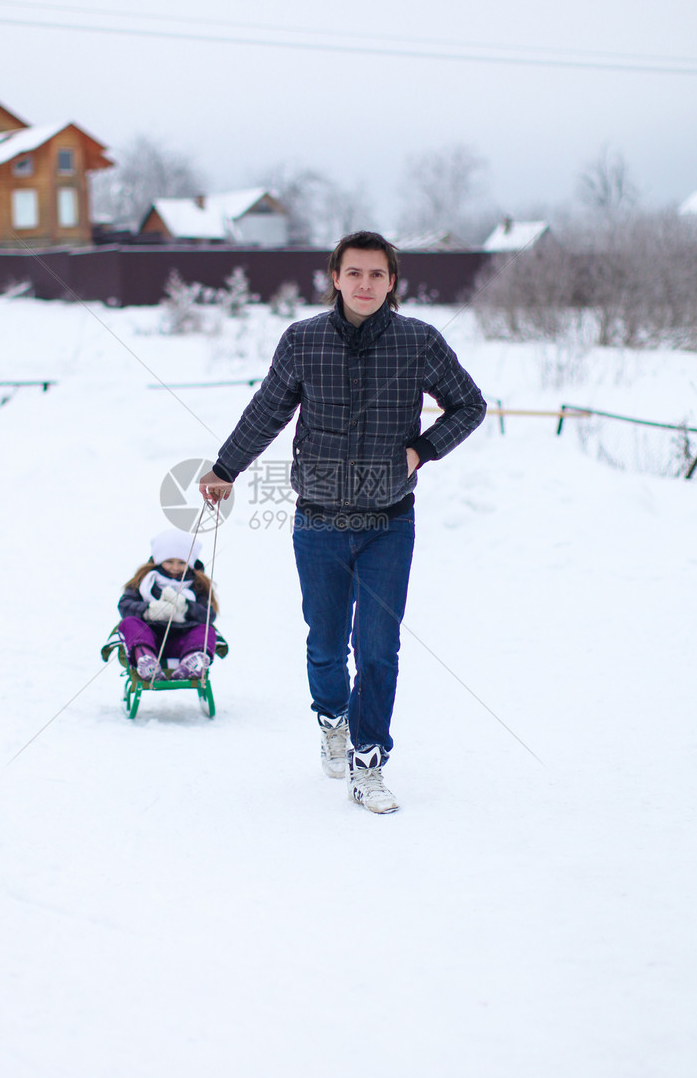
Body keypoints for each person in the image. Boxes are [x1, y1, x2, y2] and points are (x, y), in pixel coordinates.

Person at [199, 230, 486, 814]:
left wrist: (420, 452)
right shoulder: (303, 341)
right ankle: (333, 720)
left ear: (392, 281)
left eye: (376, 274)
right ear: (335, 277)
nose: (365, 284)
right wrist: (226, 466)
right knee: (327, 646)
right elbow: (268, 409)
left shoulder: (420, 342)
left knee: (378, 649)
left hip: (389, 522)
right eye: (353, 273)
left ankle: (370, 761)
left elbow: (470, 404)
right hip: (319, 522)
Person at [117, 529, 219, 683]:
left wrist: (186, 607)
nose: (175, 568)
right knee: (129, 623)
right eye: (169, 561)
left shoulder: (198, 584)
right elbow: (125, 605)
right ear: (159, 560)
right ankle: (146, 661)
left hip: (183, 642)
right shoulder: (144, 581)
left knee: (206, 630)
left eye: (182, 563)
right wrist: (149, 611)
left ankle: (193, 662)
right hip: (151, 640)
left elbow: (209, 615)